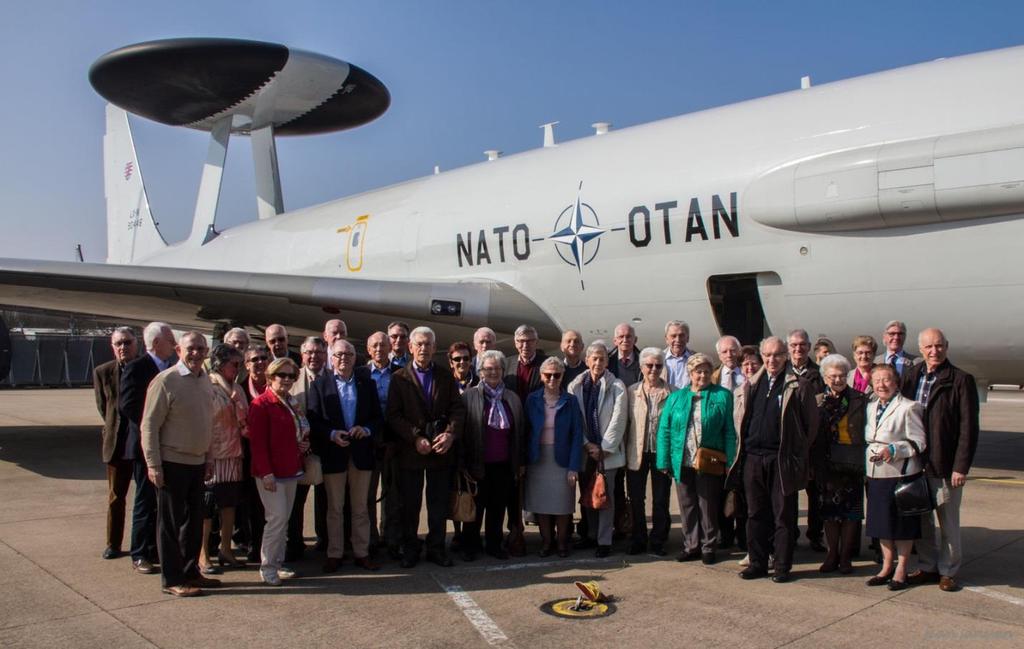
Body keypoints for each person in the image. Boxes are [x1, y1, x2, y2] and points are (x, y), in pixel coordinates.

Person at [903, 328, 979, 593]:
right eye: (928, 347)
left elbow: (969, 428)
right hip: (916, 464)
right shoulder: (911, 377)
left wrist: (961, 466)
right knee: (922, 522)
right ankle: (927, 566)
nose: (934, 351)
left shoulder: (960, 380)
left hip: (945, 465)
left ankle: (948, 571)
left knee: (948, 523)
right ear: (920, 349)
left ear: (946, 346)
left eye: (939, 346)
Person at [141, 331, 217, 597]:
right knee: (170, 524)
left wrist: (208, 458)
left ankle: (190, 571)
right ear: (178, 350)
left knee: (193, 522)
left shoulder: (205, 380)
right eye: (191, 348)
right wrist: (154, 465)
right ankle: (172, 578)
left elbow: (208, 422)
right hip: (172, 462)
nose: (196, 353)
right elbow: (149, 425)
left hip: (197, 462)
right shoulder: (166, 381)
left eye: (201, 348)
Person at [736, 336, 817, 583]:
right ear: (762, 356)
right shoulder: (752, 384)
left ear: (786, 356)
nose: (772, 360)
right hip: (753, 458)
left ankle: (782, 566)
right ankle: (758, 562)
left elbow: (810, 427)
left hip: (780, 459)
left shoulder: (798, 385)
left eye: (778, 355)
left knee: (783, 514)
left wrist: (796, 454)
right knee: (755, 513)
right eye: (768, 355)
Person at [386, 326, 466, 568]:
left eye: (428, 344)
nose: (423, 348)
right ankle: (411, 548)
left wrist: (450, 435)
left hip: (440, 451)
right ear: (410, 347)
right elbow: (394, 415)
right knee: (409, 505)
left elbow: (457, 409)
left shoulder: (444, 376)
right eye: (419, 344)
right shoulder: (399, 378)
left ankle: (436, 548)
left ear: (434, 347)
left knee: (438, 504)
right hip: (412, 452)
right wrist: (415, 438)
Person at [307, 339, 383, 573]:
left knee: (360, 507)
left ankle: (362, 553)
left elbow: (377, 418)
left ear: (354, 358)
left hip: (361, 453)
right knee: (335, 507)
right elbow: (313, 418)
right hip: (334, 453)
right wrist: (331, 434)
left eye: (348, 355)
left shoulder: (366, 383)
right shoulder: (320, 385)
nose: (343, 359)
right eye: (339, 355)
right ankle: (335, 553)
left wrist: (366, 429)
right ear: (331, 358)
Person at [657, 353, 737, 564]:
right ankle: (691, 545)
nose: (702, 375)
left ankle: (708, 546)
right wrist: (663, 460)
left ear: (712, 373)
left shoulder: (722, 395)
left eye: (707, 371)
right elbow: (664, 429)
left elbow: (729, 430)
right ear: (690, 373)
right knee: (687, 505)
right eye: (698, 371)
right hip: (682, 459)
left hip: (709, 460)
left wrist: (730, 460)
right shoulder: (676, 397)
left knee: (708, 504)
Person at [119, 321, 176, 575]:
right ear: (156, 343)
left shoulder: (173, 367)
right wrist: (155, 425)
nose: (174, 343)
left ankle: (155, 548)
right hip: (145, 446)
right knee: (144, 500)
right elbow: (129, 405)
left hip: (170, 445)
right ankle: (139, 552)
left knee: (162, 501)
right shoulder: (136, 368)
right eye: (170, 339)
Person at [247, 357, 308, 586]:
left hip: (291, 468)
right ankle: (268, 566)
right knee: (276, 519)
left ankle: (278, 563)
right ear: (270, 377)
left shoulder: (291, 402)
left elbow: (297, 431)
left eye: (291, 376)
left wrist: (301, 444)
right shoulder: (261, 404)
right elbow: (258, 444)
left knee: (284, 520)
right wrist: (266, 473)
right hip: (271, 473)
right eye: (281, 375)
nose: (286, 380)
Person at [865, 364, 926, 591]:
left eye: (887, 379)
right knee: (881, 524)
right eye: (877, 380)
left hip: (899, 473)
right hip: (875, 473)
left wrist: (894, 450)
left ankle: (901, 568)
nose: (882, 385)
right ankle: (886, 566)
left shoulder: (909, 407)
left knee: (901, 525)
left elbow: (919, 441)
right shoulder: (871, 407)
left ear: (896, 382)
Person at [460, 350, 526, 560]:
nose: (493, 372)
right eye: (488, 369)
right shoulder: (469, 396)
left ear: (503, 371)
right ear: (480, 372)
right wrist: (463, 465)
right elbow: (461, 433)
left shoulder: (512, 398)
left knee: (497, 508)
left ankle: (494, 545)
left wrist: (519, 463)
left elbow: (520, 432)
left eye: (497, 368)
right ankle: (470, 546)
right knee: (475, 509)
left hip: (504, 464)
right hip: (477, 464)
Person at [567, 342, 627, 557]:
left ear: (607, 362)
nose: (598, 363)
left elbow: (619, 420)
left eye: (602, 359)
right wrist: (586, 444)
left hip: (606, 453)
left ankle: (604, 540)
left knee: (605, 496)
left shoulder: (617, 386)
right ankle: (590, 535)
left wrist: (604, 448)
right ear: (587, 361)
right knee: (587, 495)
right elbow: (575, 420)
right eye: (594, 358)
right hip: (585, 451)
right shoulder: (575, 386)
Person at [812, 354, 867, 574]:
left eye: (842, 375)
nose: (838, 380)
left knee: (851, 515)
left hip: (851, 464)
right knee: (829, 514)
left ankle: (846, 556)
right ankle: (832, 553)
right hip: (827, 465)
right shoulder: (817, 401)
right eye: (833, 376)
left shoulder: (859, 399)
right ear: (825, 378)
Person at [525, 357, 583, 557]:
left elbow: (577, 434)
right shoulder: (532, 400)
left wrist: (574, 466)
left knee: (562, 505)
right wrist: (523, 462)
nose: (552, 379)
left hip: (563, 459)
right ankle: (546, 542)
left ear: (562, 376)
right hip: (538, 459)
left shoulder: (571, 400)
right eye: (548, 375)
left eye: (556, 375)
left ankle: (561, 543)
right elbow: (526, 431)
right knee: (541, 504)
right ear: (541, 376)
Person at [200, 344, 248, 572]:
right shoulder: (207, 386)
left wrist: (239, 402)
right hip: (212, 455)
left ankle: (225, 549)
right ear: (220, 364)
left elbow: (246, 424)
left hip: (234, 454)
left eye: (239, 364)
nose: (237, 369)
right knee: (207, 508)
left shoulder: (236, 387)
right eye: (234, 364)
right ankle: (202, 554)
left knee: (229, 505)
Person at [93, 326, 138, 560]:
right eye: (119, 344)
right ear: (113, 347)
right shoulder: (102, 372)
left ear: (136, 344)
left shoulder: (145, 369)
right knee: (115, 496)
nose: (123, 347)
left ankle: (144, 545)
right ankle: (113, 543)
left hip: (140, 441)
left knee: (146, 498)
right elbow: (103, 407)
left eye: (127, 343)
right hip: (117, 443)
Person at [625, 347, 675, 556]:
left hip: (661, 453)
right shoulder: (631, 392)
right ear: (641, 366)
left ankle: (658, 540)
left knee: (661, 498)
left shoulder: (673, 392)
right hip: (637, 452)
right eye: (649, 365)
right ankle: (638, 538)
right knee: (636, 499)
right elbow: (625, 423)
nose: (654, 369)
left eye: (658, 365)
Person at [287, 336, 329, 560]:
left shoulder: (333, 379)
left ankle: (325, 541)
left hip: (327, 450)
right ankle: (295, 542)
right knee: (296, 501)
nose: (314, 357)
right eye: (309, 352)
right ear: (302, 355)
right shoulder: (290, 380)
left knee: (326, 500)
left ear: (326, 355)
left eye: (319, 352)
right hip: (298, 451)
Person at [362, 330, 400, 556]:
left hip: (394, 442)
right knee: (367, 495)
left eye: (383, 345)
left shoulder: (401, 374)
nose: (379, 349)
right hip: (368, 442)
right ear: (368, 349)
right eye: (374, 345)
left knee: (393, 494)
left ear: (390, 348)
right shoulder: (361, 374)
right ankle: (370, 539)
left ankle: (392, 538)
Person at [787, 328, 825, 552]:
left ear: (809, 347)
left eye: (802, 345)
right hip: (789, 446)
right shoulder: (781, 372)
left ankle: (815, 535)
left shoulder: (819, 374)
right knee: (789, 494)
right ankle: (790, 533)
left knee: (815, 494)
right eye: (793, 345)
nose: (798, 349)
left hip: (812, 444)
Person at [237, 344, 270, 562]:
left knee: (273, 506)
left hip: (273, 455)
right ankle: (254, 545)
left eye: (263, 359)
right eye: (254, 359)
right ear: (246, 364)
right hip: (247, 455)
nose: (259, 363)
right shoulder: (238, 389)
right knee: (251, 503)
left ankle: (274, 547)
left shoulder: (276, 386)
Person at [505, 324, 548, 403]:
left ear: (536, 342)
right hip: (513, 413)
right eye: (521, 341)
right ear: (515, 343)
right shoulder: (506, 363)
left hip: (537, 412)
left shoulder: (547, 364)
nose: (525, 345)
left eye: (529, 341)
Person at [662, 321, 694, 389]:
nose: (678, 339)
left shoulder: (696, 358)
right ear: (666, 339)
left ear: (687, 338)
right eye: (673, 336)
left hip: (689, 399)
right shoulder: (658, 359)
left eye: (681, 335)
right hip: (666, 399)